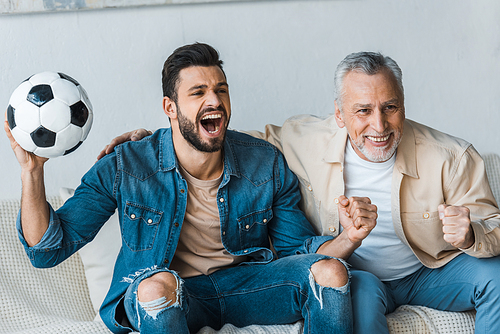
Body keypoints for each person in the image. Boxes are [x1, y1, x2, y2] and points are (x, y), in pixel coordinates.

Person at [107, 51, 500, 333]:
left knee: (497, 275)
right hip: (359, 274)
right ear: (339, 113)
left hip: (429, 271)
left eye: (390, 107)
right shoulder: (299, 139)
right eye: (363, 110)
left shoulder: (451, 155)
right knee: (346, 292)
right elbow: (218, 139)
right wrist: (153, 140)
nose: (379, 124)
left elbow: (494, 224)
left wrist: (471, 234)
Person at [4, 43, 355, 334]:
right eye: (198, 92)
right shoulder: (126, 165)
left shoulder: (264, 163)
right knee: (156, 288)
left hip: (248, 287)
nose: (214, 101)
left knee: (331, 271)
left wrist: (349, 236)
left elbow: (299, 249)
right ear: (170, 108)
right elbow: (47, 250)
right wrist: (31, 172)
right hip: (174, 293)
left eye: (221, 90)